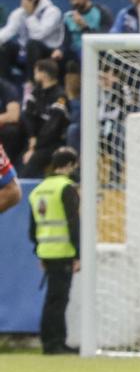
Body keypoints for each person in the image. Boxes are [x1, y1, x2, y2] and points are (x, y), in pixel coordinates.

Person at [26, 145, 79, 353]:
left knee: (51, 299)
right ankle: (55, 343)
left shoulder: (38, 190)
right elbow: (73, 223)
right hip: (64, 250)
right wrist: (78, 253)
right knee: (59, 300)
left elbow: (32, 228)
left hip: (46, 251)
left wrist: (39, 250)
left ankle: (49, 340)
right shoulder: (66, 188)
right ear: (69, 165)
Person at [0, 0, 63, 84]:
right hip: (26, 53)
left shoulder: (52, 11)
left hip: (49, 54)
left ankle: (31, 84)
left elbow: (38, 35)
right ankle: (5, 85)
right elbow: (8, 31)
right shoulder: (19, 13)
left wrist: (30, 14)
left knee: (33, 44)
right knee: (5, 46)